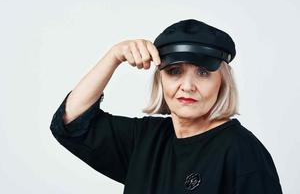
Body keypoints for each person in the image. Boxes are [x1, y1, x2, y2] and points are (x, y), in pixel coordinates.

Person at [49, 19, 283, 193]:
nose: (187, 86)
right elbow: (71, 123)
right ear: (161, 79)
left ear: (222, 82)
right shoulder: (146, 139)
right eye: (175, 72)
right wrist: (114, 56)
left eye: (203, 72)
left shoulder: (242, 151)